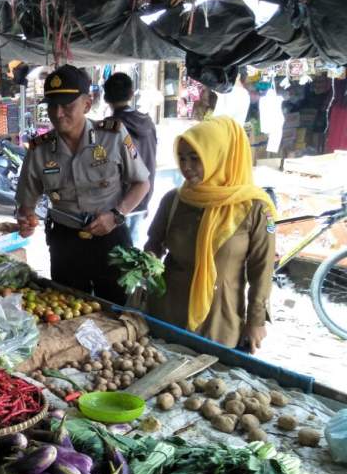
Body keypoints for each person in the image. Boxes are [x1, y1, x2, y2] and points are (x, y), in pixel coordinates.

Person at [15, 65, 151, 305]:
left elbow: (142, 183)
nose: (58, 114)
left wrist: (117, 214)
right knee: (68, 308)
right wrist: (26, 221)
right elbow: (26, 206)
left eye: (67, 106)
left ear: (87, 105)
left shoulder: (113, 135)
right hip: (65, 243)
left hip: (111, 239)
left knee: (117, 310)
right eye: (52, 106)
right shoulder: (39, 150)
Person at [144, 116, 277, 353]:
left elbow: (262, 269)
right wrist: (146, 265)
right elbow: (154, 243)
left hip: (220, 321)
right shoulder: (174, 200)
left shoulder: (256, 208)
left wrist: (256, 320)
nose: (186, 166)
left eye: (195, 158)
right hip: (166, 314)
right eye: (182, 158)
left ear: (219, 156)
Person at [103, 73, 157, 243]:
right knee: (132, 253)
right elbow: (152, 158)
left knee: (116, 252)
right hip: (142, 198)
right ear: (131, 94)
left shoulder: (109, 126)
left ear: (106, 97)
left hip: (119, 205)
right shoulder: (148, 122)